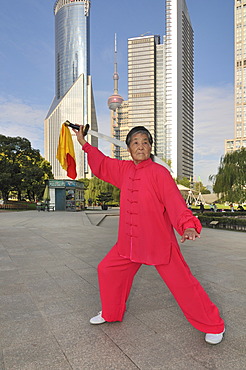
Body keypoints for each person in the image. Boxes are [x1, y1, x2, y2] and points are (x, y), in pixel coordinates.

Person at [74, 125, 225, 345]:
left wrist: (187, 226)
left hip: (158, 242)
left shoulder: (159, 173)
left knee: (184, 284)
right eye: (135, 142)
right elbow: (103, 163)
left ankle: (214, 325)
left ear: (150, 147)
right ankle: (111, 313)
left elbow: (175, 202)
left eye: (145, 142)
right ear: (128, 148)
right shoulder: (123, 170)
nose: (140, 146)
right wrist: (83, 143)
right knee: (107, 270)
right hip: (129, 243)